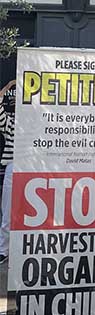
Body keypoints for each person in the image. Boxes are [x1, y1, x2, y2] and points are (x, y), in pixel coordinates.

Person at [0, 79, 16, 264]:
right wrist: (8, 86)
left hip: (36, 167)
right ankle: (4, 250)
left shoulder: (39, 123)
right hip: (13, 164)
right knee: (8, 209)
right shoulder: (11, 122)